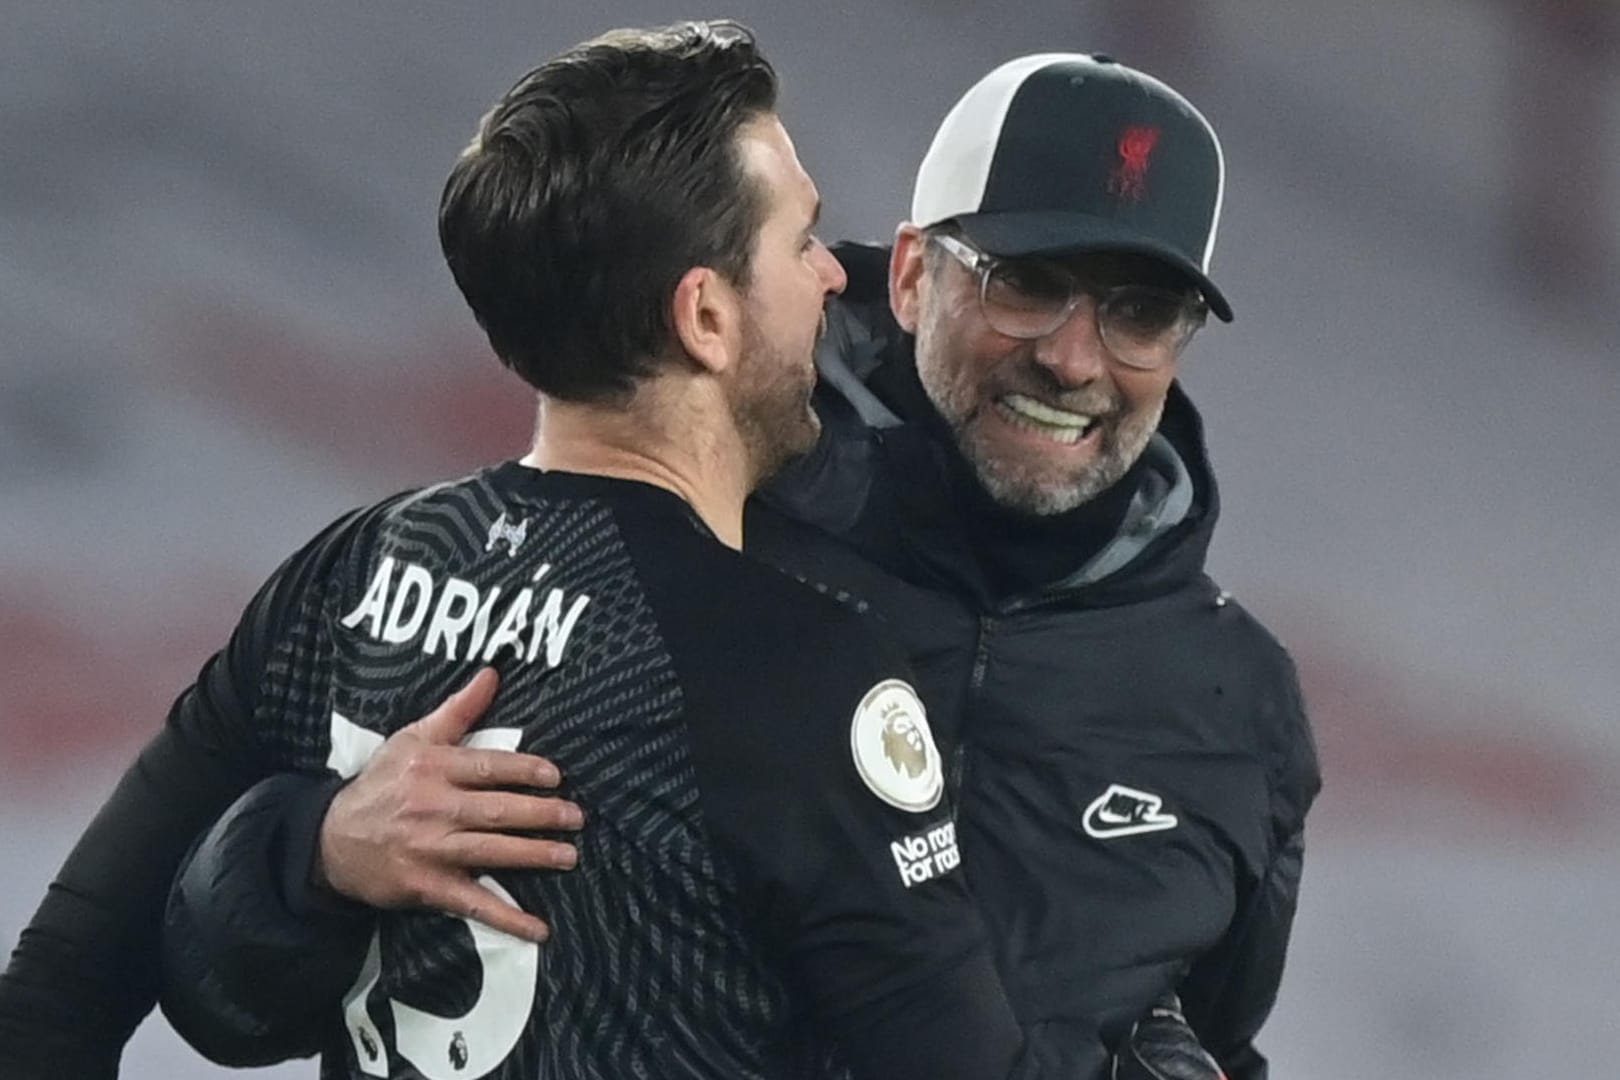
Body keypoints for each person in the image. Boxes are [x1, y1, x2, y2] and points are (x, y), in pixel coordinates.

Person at [0, 45, 1314, 1080]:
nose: (1077, 357)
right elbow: (172, 986)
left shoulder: (1241, 709)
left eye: (1143, 311)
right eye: (1029, 283)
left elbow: (1213, 1038)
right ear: (911, 277)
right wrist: (314, 851)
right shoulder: (768, 620)